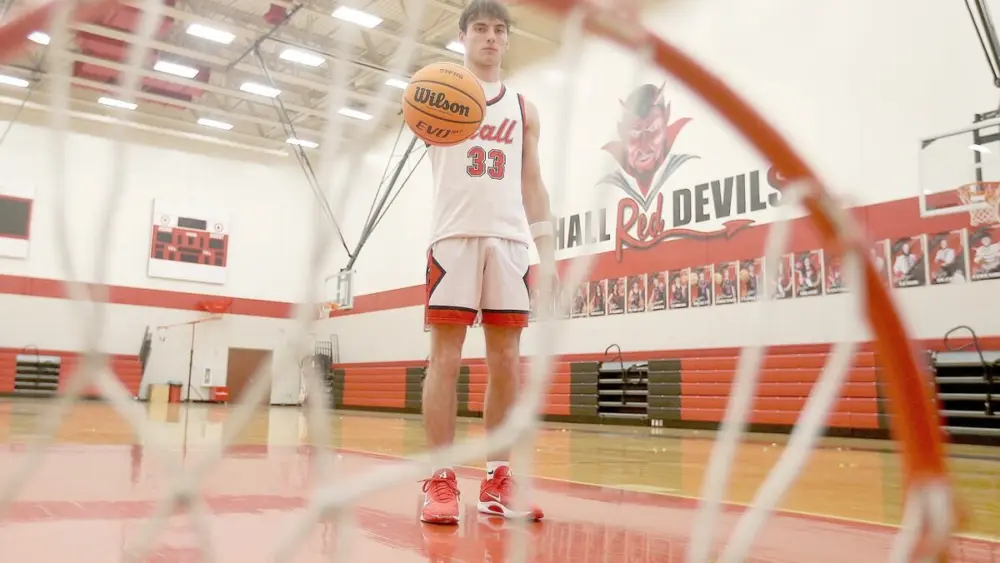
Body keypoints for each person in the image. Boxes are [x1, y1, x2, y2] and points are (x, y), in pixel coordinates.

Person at [419, 0, 553, 525]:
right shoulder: (437, 93)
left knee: (506, 361)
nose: (491, 37)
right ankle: (440, 478)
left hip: (510, 241)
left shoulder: (523, 108)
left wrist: (549, 253)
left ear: (508, 39)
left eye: (500, 29)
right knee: (444, 359)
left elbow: (532, 182)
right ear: (462, 36)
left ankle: (498, 480)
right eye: (480, 28)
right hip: (452, 236)